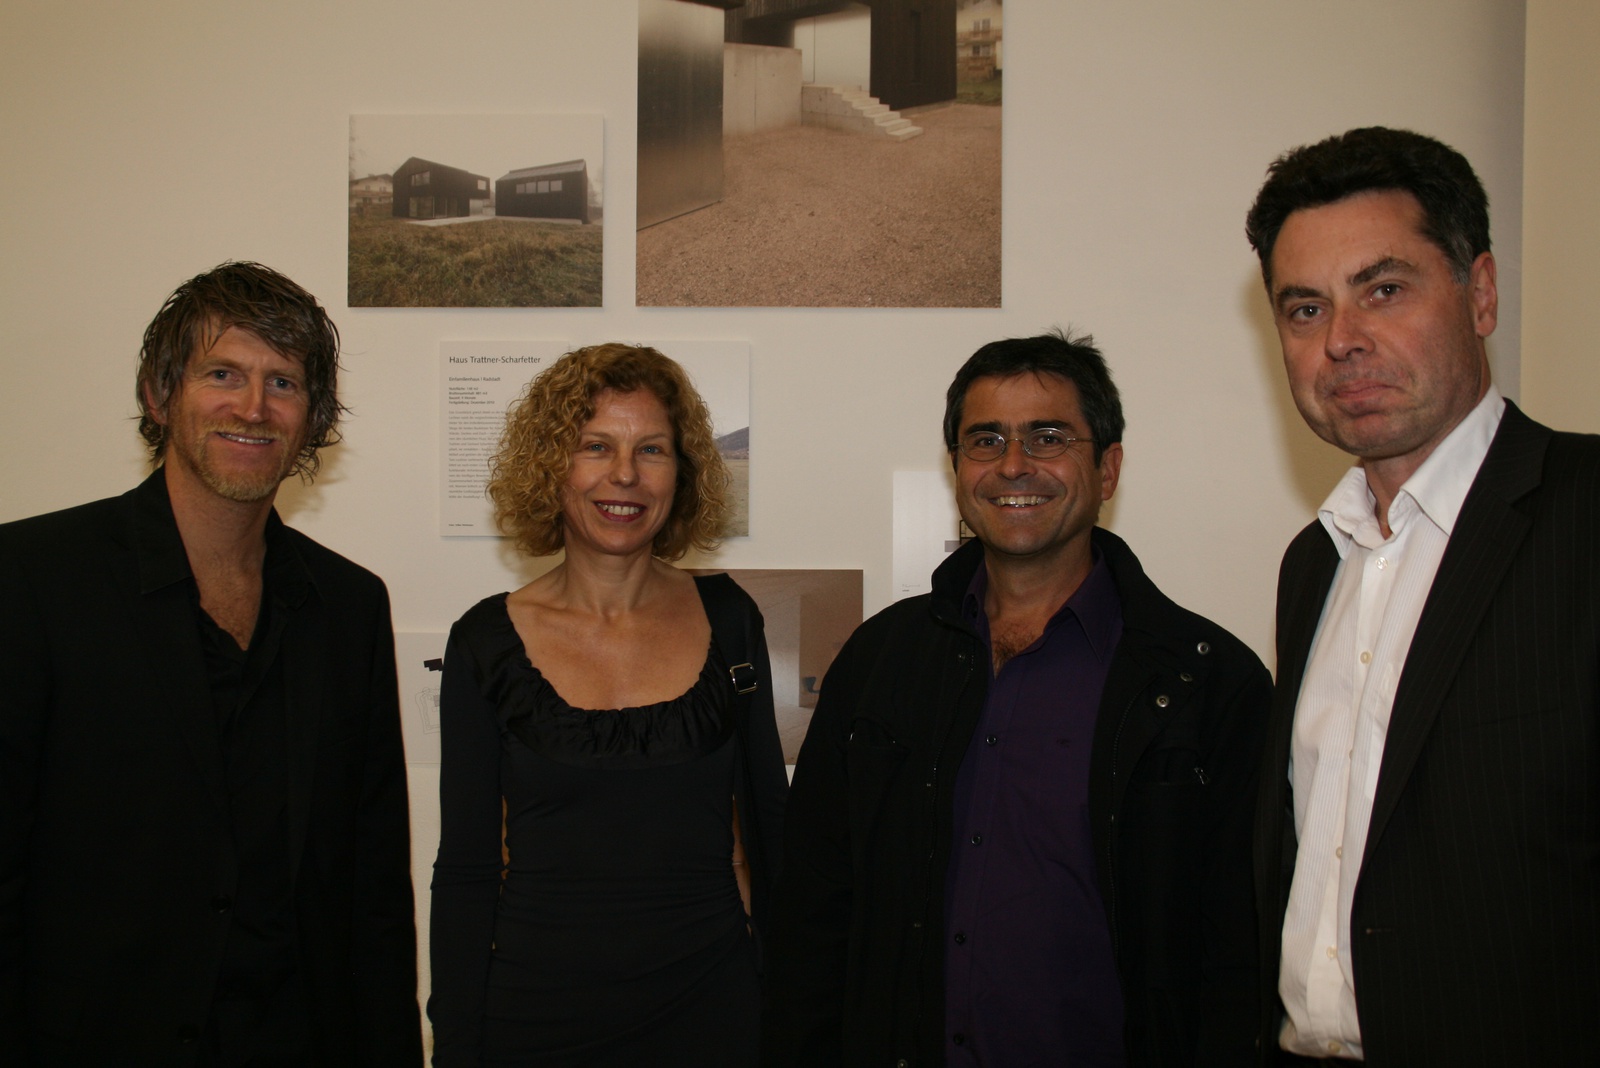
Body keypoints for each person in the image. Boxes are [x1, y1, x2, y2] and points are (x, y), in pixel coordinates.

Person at [762, 330, 1272, 1067]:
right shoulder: (879, 661)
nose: (1012, 465)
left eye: (1048, 438)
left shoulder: (1208, 683)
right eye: (986, 440)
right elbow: (814, 909)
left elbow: (1236, 951)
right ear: (957, 468)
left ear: (1108, 468)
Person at [0, 262, 422, 1065]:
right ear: (160, 395)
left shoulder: (349, 607)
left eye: (283, 383)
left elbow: (371, 894)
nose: (254, 407)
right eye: (223, 373)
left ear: (313, 418)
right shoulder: (32, 580)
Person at [1246, 126, 1600, 1065]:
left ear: (1480, 293)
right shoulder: (1312, 564)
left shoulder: (1587, 516)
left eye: (1384, 290)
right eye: (1305, 309)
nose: (1342, 341)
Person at [428, 343, 787, 1067]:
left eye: (651, 449)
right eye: (596, 446)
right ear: (551, 465)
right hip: (533, 1021)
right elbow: (467, 868)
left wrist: (793, 1017)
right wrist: (457, 1044)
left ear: (681, 473)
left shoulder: (731, 620)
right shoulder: (484, 642)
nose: (625, 474)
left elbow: (773, 841)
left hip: (713, 1017)